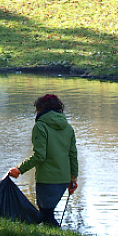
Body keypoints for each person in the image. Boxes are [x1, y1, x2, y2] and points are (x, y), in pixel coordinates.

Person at [9, 94, 78, 226]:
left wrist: (19, 169)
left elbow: (40, 155)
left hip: (47, 179)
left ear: (40, 109)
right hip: (63, 180)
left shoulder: (40, 126)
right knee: (47, 214)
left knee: (46, 215)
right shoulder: (68, 128)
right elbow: (73, 154)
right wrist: (73, 178)